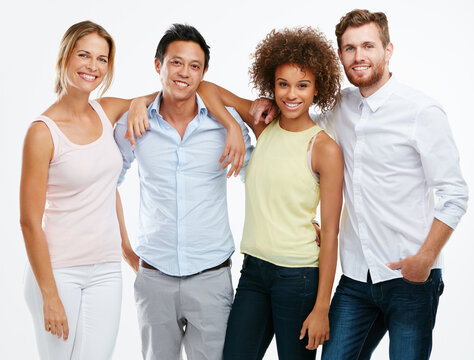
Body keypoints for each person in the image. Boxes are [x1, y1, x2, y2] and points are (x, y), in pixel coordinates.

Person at [250, 9, 469, 360]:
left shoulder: (421, 111)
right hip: (355, 277)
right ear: (339, 56)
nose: (359, 56)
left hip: (409, 277)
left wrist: (426, 258)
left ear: (388, 49)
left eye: (368, 45)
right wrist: (263, 107)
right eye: (350, 48)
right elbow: (298, 126)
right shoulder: (340, 107)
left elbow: (455, 194)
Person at [198, 27, 344, 360]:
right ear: (272, 84)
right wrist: (235, 124)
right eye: (283, 84)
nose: (291, 94)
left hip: (298, 278)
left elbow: (332, 232)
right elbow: (205, 88)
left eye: (302, 85)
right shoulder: (263, 126)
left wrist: (322, 306)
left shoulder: (324, 149)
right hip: (253, 272)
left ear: (317, 87)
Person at [113, 24, 253, 360]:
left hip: (211, 278)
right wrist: (127, 251)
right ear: (158, 65)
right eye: (176, 63)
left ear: (204, 74)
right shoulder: (134, 125)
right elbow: (105, 185)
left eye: (194, 66)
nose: (184, 73)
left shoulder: (227, 126)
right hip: (154, 279)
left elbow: (262, 180)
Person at [19, 20, 155, 359]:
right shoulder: (42, 132)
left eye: (102, 58)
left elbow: (107, 189)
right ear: (65, 57)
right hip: (58, 270)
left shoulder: (106, 110)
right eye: (84, 55)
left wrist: (126, 249)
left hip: (106, 270)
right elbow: (29, 222)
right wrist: (48, 294)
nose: (92, 66)